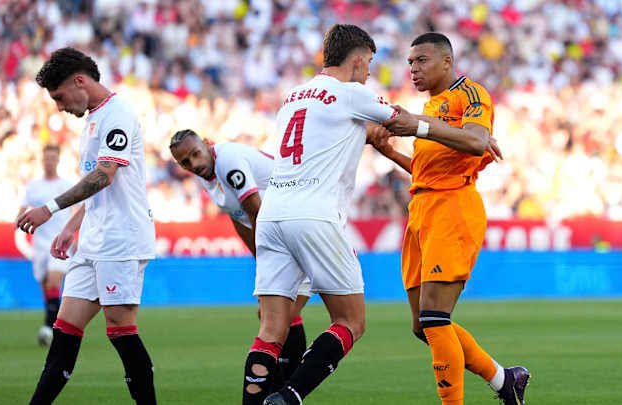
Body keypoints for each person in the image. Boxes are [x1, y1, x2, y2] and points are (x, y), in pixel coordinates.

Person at [371, 32, 531, 405]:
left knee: (434, 318)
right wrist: (390, 152)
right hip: (422, 208)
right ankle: (504, 380)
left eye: (421, 60)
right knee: (422, 326)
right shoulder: (431, 107)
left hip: (452, 208)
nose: (413, 68)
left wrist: (418, 126)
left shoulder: (470, 95)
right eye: (410, 62)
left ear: (447, 61)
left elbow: (476, 141)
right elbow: (429, 170)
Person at [242, 24, 398, 405]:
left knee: (271, 331)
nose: (369, 72)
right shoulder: (350, 92)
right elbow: (400, 119)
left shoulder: (293, 97)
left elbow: (326, 138)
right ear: (357, 60)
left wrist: (365, 134)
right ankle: (289, 396)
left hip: (272, 214)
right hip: (314, 214)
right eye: (369, 63)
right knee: (350, 321)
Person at [16, 47, 157, 405]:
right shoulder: (94, 119)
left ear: (79, 81)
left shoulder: (118, 113)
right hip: (94, 239)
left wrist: (50, 209)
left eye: (59, 97)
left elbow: (105, 175)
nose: (59, 107)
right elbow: (98, 188)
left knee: (120, 328)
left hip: (122, 238)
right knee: (65, 329)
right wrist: (72, 226)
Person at [169, 129, 311, 381]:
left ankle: (288, 385)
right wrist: (259, 259)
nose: (194, 164)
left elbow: (256, 211)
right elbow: (238, 218)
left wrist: (267, 263)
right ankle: (286, 385)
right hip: (283, 234)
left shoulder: (229, 161)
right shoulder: (206, 174)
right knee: (277, 316)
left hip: (301, 225)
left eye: (196, 154)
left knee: (275, 317)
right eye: (186, 162)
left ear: (207, 143)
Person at [15, 144, 73, 346]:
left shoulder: (66, 185)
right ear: (42, 160)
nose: (49, 162)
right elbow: (22, 211)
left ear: (58, 160)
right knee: (47, 289)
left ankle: (48, 328)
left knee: (54, 283)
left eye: (52, 158)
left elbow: (75, 211)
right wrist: (19, 223)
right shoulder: (33, 187)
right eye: (46, 158)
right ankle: (57, 327)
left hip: (59, 243)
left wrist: (74, 235)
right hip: (39, 245)